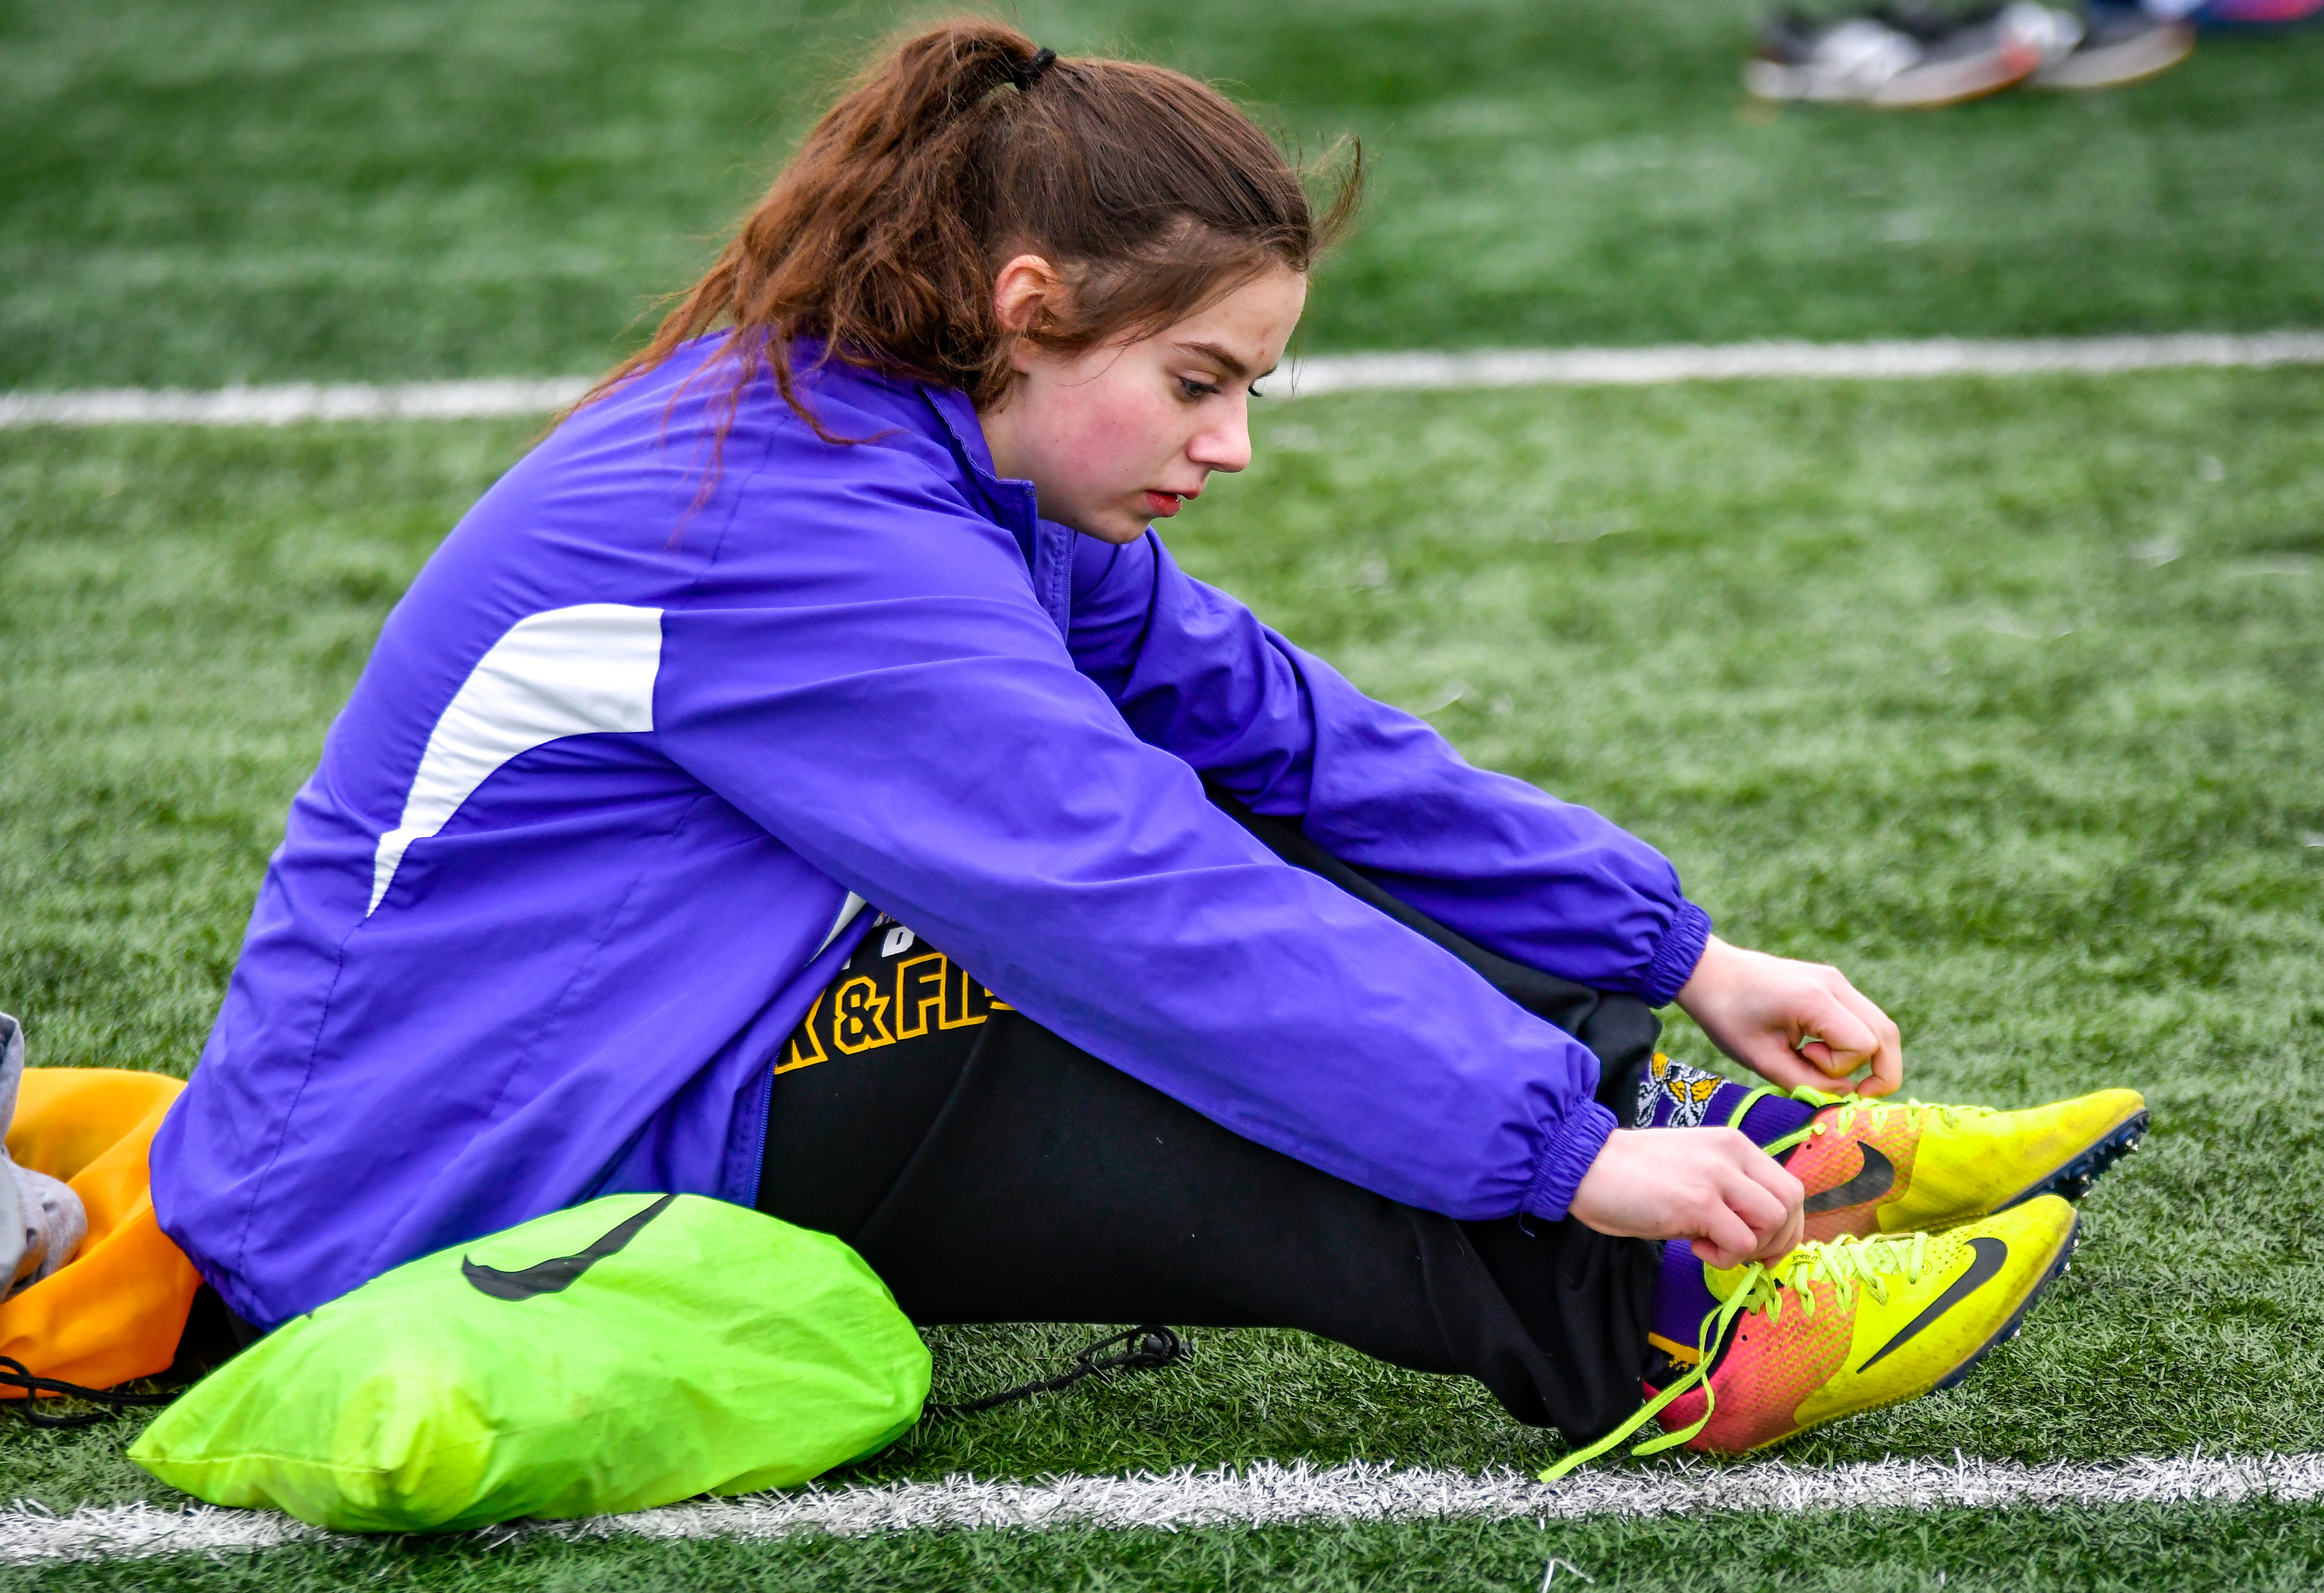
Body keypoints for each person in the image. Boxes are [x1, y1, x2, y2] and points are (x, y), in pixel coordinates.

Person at [150, 21, 2145, 1462]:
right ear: (1028, 307)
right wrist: (1560, 1160)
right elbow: (1128, 896)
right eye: (1199, 380)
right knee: (1102, 986)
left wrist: (1680, 955)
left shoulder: (925, 437)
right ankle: (1660, 1318)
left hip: (641, 1065)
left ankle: (1719, 1147)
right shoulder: (796, 522)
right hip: (429, 1201)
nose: (1233, 442)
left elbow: (1286, 739)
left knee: (1259, 834)